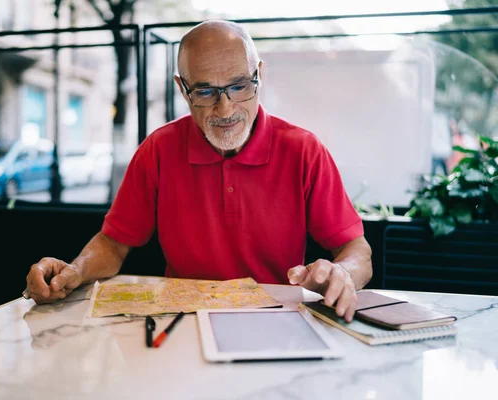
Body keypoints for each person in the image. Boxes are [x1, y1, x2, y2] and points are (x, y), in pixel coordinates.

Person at [25, 20, 373, 323]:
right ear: (183, 89)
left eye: (239, 86)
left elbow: (357, 251)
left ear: (260, 76)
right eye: (205, 91)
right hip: (183, 321)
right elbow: (114, 245)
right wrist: (75, 270)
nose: (226, 108)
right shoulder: (158, 150)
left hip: (278, 318)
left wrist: (342, 273)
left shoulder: (303, 151)